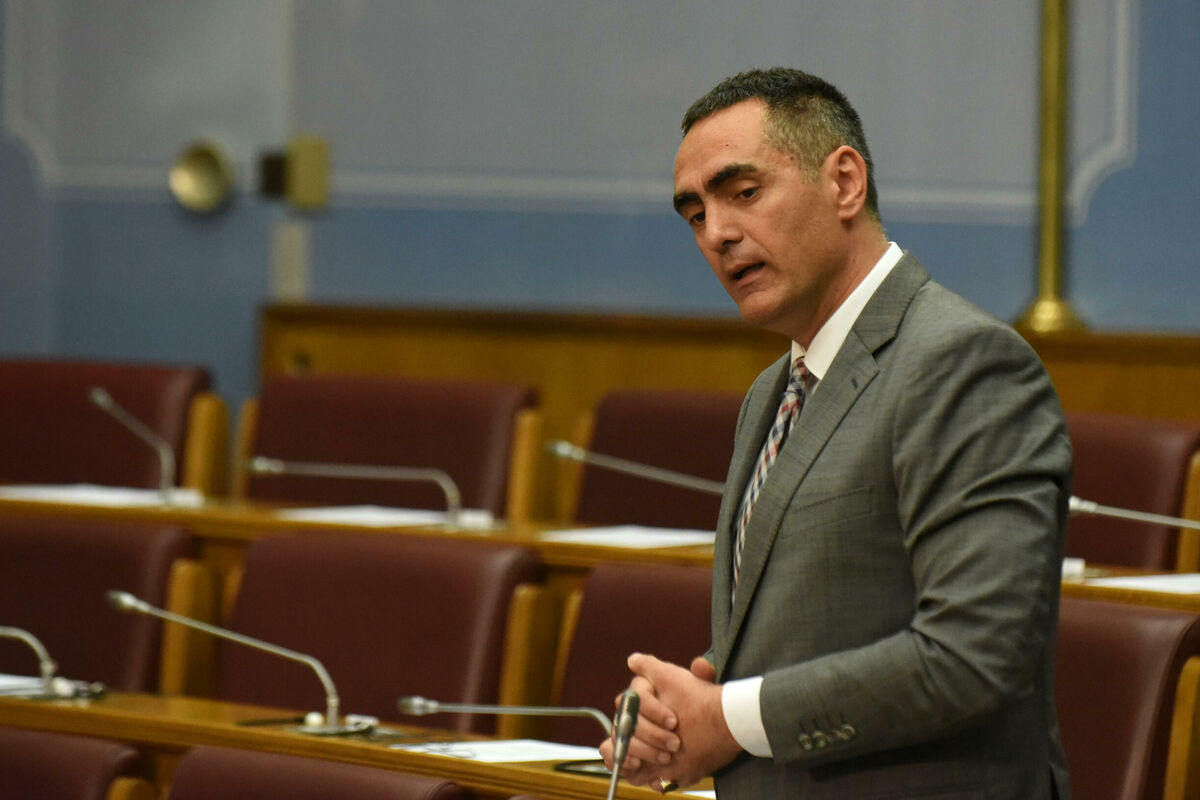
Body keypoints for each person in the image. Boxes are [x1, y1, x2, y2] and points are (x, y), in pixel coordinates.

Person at [599, 67, 1073, 799]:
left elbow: (974, 655)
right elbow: (808, 630)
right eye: (695, 214)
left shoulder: (963, 362)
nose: (717, 233)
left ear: (845, 183)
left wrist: (729, 718)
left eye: (742, 192)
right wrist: (684, 716)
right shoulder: (773, 391)